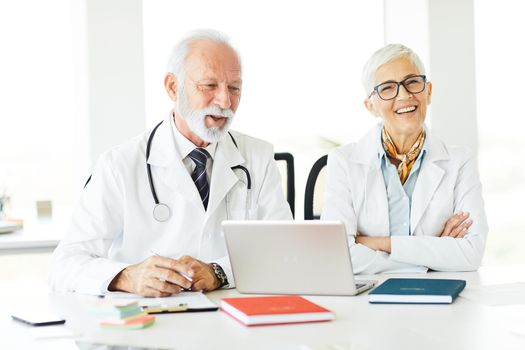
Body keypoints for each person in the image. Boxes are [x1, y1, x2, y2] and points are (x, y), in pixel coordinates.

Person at [49, 30, 292, 296]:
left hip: (234, 320)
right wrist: (126, 276)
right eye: (209, 86)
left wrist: (219, 272)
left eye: (234, 88)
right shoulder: (120, 164)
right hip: (150, 323)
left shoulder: (258, 157)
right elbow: (65, 265)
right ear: (173, 87)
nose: (225, 101)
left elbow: (285, 251)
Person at [321, 43, 488, 274]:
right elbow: (338, 254)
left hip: (440, 295)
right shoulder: (343, 161)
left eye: (412, 82)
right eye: (387, 88)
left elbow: (471, 253)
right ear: (371, 106)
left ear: (428, 91)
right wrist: (434, 254)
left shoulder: (460, 161)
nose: (404, 95)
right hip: (368, 298)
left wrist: (378, 243)